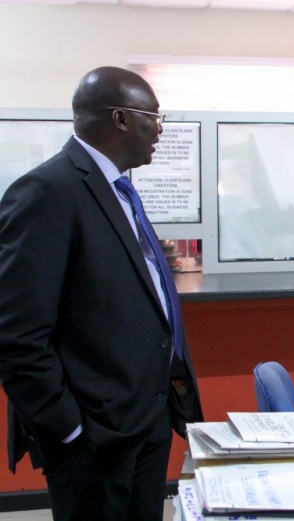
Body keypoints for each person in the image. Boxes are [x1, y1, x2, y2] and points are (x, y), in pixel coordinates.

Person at [0, 66, 203, 521]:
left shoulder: (121, 188)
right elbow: (16, 335)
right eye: (153, 115)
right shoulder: (47, 192)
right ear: (120, 119)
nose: (160, 128)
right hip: (92, 435)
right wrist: (69, 429)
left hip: (145, 421)